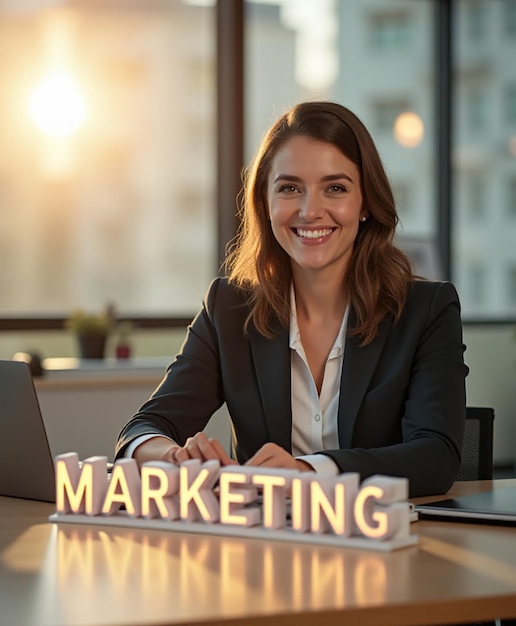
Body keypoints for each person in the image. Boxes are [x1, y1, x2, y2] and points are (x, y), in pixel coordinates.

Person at [115, 100, 468, 497]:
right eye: (289, 188)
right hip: (266, 546)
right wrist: (174, 458)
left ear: (366, 202)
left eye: (335, 188)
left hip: (387, 541)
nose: (309, 210)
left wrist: (307, 471)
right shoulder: (228, 309)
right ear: (265, 203)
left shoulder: (426, 310)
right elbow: (143, 431)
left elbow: (437, 457)